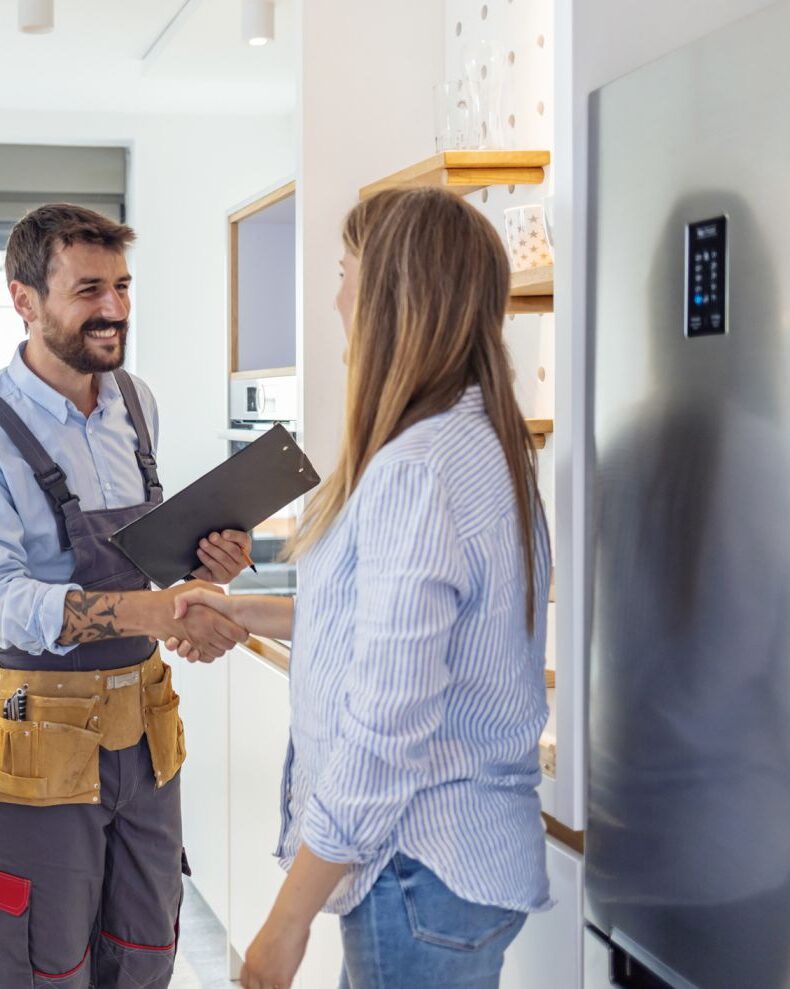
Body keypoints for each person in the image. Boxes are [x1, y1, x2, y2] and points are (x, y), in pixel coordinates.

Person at [169, 187, 552, 988]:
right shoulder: (478, 442)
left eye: (346, 272)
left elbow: (387, 723)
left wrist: (287, 917)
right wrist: (240, 610)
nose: (336, 297)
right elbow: (372, 627)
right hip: (457, 869)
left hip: (414, 867)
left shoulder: (417, 469)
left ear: (389, 296)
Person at [0, 203, 253, 988]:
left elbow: (146, 561)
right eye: (88, 290)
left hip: (144, 729)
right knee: (47, 961)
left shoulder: (135, 403)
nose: (113, 309)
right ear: (25, 299)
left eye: (123, 287)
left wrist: (209, 567)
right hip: (38, 736)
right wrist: (154, 608)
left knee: (144, 947)